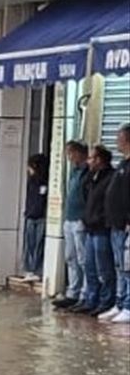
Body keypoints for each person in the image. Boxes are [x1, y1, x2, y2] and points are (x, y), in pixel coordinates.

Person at [70, 145, 116, 316]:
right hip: (90, 227)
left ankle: (106, 301)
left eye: (91, 158)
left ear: (99, 160)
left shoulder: (110, 177)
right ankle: (91, 299)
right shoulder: (92, 177)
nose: (88, 161)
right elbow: (85, 193)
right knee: (90, 267)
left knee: (104, 268)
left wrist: (102, 219)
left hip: (102, 228)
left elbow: (110, 202)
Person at [53, 142, 90, 309]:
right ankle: (73, 292)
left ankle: (85, 293)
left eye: (71, 153)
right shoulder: (73, 172)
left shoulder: (88, 172)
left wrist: (85, 218)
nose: (69, 157)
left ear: (80, 153)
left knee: (83, 259)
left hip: (81, 220)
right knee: (70, 257)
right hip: (69, 219)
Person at [101, 124, 130, 324]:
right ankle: (120, 303)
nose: (116, 142)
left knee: (127, 267)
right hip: (114, 225)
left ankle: (128, 306)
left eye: (119, 138)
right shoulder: (123, 164)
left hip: (125, 225)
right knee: (119, 267)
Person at [22, 153, 48, 281]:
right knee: (30, 245)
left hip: (41, 216)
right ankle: (29, 269)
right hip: (31, 216)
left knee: (38, 245)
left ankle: (37, 270)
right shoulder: (31, 181)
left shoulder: (44, 181)